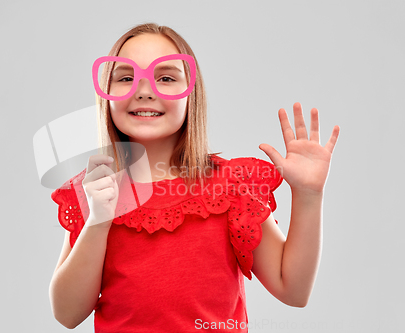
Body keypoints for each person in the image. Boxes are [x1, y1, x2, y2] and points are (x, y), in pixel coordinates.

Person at [48, 23, 340, 332]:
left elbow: (292, 289)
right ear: (107, 94)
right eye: (126, 78)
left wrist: (309, 195)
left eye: (165, 78)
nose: (144, 91)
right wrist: (99, 220)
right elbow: (67, 314)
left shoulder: (232, 186)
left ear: (192, 94)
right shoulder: (98, 189)